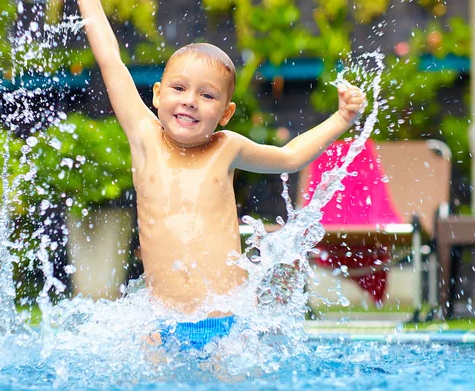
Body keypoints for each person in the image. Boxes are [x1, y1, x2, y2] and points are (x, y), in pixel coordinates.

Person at [77, 0, 366, 348]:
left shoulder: (226, 147)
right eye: (179, 88)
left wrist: (342, 119)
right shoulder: (144, 138)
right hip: (161, 323)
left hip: (227, 324)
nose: (190, 101)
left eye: (207, 94)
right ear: (157, 94)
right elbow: (110, 58)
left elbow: (289, 156)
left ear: (226, 113)